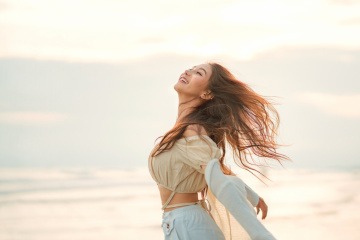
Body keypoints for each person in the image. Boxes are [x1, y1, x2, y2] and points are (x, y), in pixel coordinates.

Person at [148, 62, 288, 240]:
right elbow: (217, 171)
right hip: (180, 223)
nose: (188, 72)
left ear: (207, 93)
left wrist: (261, 235)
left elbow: (219, 181)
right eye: (191, 68)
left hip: (189, 226)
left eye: (198, 72)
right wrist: (253, 197)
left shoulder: (193, 131)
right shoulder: (185, 129)